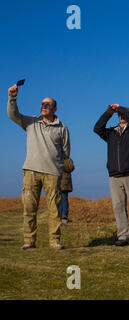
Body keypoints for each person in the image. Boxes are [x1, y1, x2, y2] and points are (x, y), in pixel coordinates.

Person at [7, 84, 70, 250]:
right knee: (29, 207)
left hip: (52, 173)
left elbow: (65, 151)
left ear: (55, 108)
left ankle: (54, 241)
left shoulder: (62, 128)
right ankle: (29, 241)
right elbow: (13, 115)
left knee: (54, 209)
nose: (44, 106)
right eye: (42, 104)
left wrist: (58, 167)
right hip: (31, 171)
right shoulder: (31, 122)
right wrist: (12, 98)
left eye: (47, 104)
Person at [94, 104, 129, 247]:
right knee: (118, 207)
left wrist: (120, 108)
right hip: (114, 175)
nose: (121, 116)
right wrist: (108, 112)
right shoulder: (111, 132)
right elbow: (97, 128)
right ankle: (123, 236)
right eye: (119, 114)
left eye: (123, 114)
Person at [59, 157, 75, 224]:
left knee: (62, 200)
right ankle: (62, 216)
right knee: (62, 200)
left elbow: (71, 168)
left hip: (62, 183)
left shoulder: (62, 159)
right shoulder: (68, 160)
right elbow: (71, 167)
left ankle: (62, 216)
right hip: (64, 184)